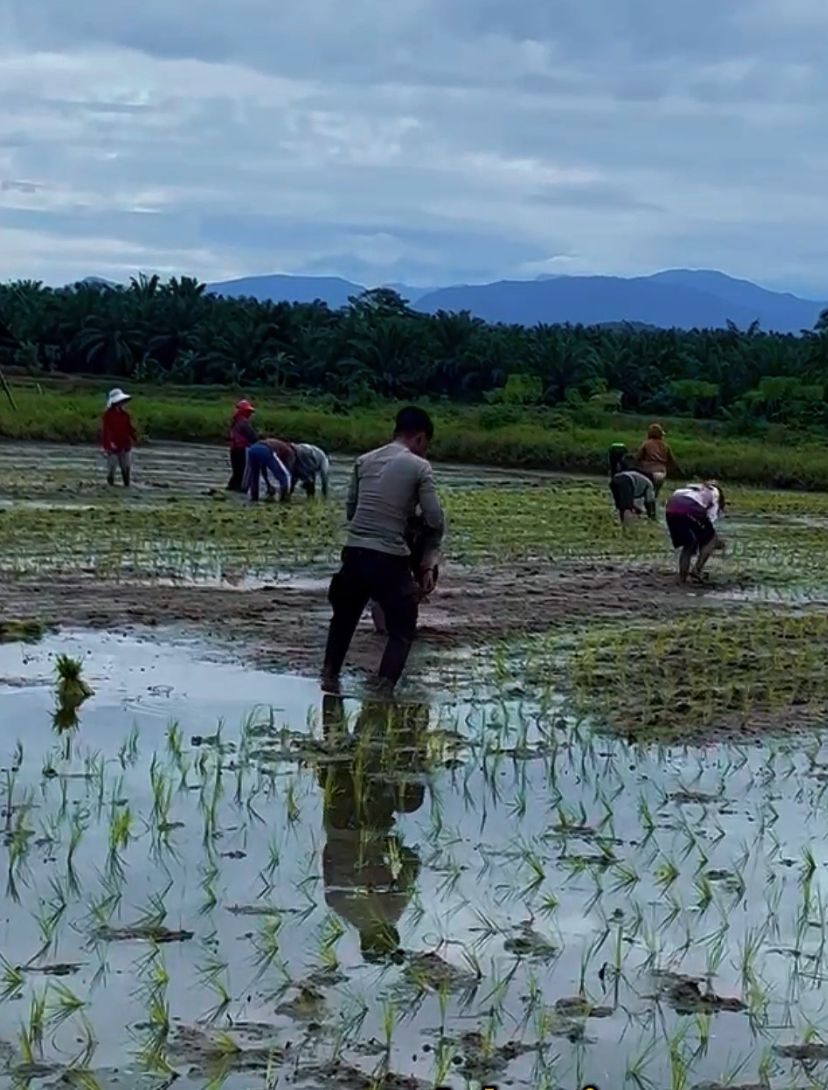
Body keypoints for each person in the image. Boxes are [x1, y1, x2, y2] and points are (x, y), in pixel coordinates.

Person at [321, 406, 445, 693]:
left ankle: (329, 678)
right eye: (425, 445)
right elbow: (435, 519)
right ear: (420, 439)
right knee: (403, 629)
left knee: (343, 619)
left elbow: (352, 512)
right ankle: (383, 690)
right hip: (388, 557)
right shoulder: (419, 466)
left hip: (353, 553)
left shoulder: (363, 461)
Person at [317, 694, 428, 963]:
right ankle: (331, 694)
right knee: (337, 754)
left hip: (368, 822)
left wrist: (395, 847)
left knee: (399, 787)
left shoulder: (389, 913)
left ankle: (381, 702)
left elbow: (412, 865)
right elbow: (327, 855)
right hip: (335, 821)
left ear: (389, 933)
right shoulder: (336, 904)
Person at [371, 511, 441, 634]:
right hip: (387, 546)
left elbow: (432, 547)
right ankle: (382, 625)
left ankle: (405, 615)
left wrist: (428, 570)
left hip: (416, 549)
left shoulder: (433, 516)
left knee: (424, 580)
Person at [665, 480, 726, 584]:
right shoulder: (715, 492)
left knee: (689, 543)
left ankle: (682, 577)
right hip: (690, 507)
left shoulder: (692, 487)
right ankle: (697, 570)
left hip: (671, 507)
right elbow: (710, 519)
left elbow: (676, 495)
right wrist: (711, 542)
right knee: (712, 538)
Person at [100, 388, 137, 487]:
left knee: (126, 467)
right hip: (112, 445)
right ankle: (110, 485)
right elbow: (106, 431)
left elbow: (129, 428)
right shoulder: (108, 415)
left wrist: (135, 437)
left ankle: (126, 484)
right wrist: (109, 444)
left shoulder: (125, 415)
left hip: (125, 444)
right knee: (112, 468)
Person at [609, 456, 656, 527]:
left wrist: (637, 509)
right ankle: (627, 528)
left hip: (615, 479)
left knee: (621, 506)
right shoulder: (650, 484)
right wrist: (652, 517)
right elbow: (650, 502)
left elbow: (627, 499)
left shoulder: (641, 479)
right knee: (626, 508)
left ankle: (621, 523)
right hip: (627, 480)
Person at [638, 423, 681, 496]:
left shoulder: (646, 444)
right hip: (661, 473)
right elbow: (672, 461)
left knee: (646, 494)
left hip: (647, 472)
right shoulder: (665, 446)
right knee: (655, 494)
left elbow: (638, 458)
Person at [227, 399, 257, 491]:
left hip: (234, 449)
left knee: (236, 471)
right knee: (242, 471)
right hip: (242, 449)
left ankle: (232, 487)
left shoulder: (235, 422)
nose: (250, 414)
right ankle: (239, 488)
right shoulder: (244, 423)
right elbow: (252, 437)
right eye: (249, 412)